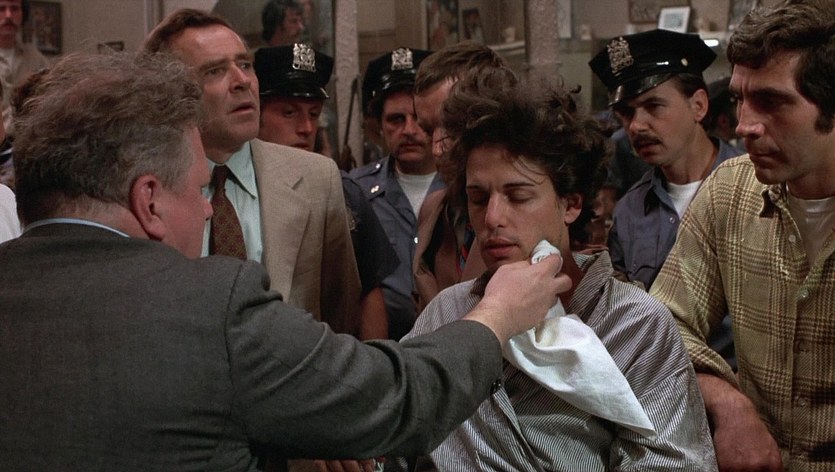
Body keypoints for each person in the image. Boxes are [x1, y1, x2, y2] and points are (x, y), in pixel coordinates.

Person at [0, 50, 569, 471]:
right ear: (148, 200)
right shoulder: (210, 308)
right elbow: (396, 398)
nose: (208, 210)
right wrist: (496, 316)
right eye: (199, 189)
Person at [402, 69, 716, 470]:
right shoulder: (448, 313)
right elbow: (396, 428)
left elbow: (673, 463)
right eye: (478, 199)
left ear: (570, 204)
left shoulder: (632, 325)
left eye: (518, 196)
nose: (492, 218)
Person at [649, 1, 835, 470]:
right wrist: (728, 404)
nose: (744, 125)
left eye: (772, 102)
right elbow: (662, 324)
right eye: (739, 99)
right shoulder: (730, 192)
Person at [144, 9, 364, 336]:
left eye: (245, 65)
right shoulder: (145, 188)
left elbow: (341, 316)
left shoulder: (317, 178)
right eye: (215, 71)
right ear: (170, 94)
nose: (242, 81)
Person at [254, 44, 396, 340]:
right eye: (289, 113)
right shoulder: (234, 187)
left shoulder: (341, 189)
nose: (306, 128)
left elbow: (368, 294)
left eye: (314, 114)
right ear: (257, 114)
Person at [350, 47, 440, 340]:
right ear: (379, 125)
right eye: (396, 119)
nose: (409, 130)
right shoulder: (356, 192)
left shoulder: (466, 189)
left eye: (418, 119)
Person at [411, 41, 506, 314]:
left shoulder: (528, 213)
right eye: (428, 130)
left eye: (451, 127)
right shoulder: (433, 213)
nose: (437, 148)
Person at [0, 0, 49, 135]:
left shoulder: (37, 59)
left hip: (25, 141)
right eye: (1, 9)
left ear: (23, 14)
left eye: (14, 9)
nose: (8, 15)